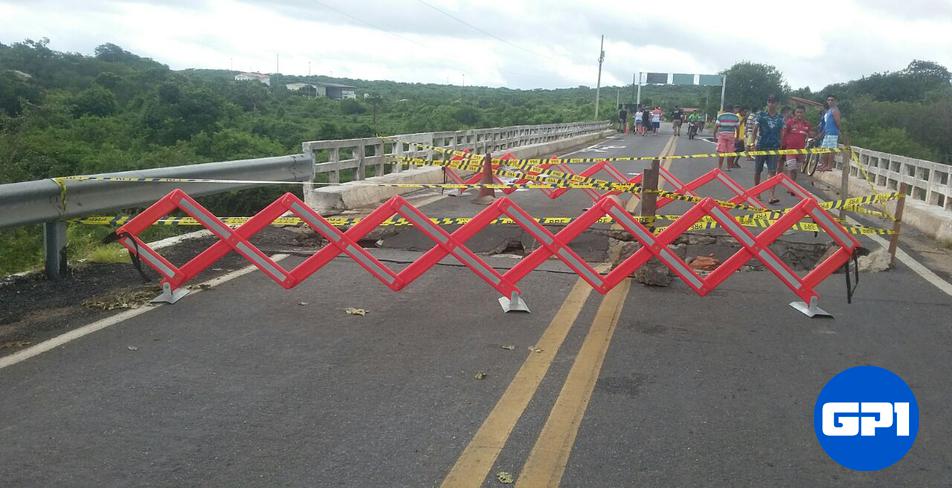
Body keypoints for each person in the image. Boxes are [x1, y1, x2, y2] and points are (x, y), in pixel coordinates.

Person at [750, 95, 785, 204]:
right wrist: (752, 143)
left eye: (774, 102)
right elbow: (755, 130)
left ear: (777, 103)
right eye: (770, 101)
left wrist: (781, 145)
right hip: (761, 146)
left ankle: (771, 196)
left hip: (774, 147)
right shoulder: (761, 115)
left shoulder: (780, 117)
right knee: (758, 171)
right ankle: (757, 193)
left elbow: (781, 132)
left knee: (772, 171)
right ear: (767, 103)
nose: (771, 104)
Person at [781, 105, 812, 188]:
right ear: (794, 113)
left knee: (796, 170)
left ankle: (792, 186)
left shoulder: (807, 124)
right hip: (790, 150)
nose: (799, 114)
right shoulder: (789, 123)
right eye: (798, 112)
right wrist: (782, 145)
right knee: (791, 168)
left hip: (801, 151)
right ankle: (789, 186)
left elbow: (810, 135)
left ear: (804, 113)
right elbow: (783, 134)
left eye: (801, 112)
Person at [817, 95, 841, 171]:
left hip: (833, 133)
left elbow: (838, 122)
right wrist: (822, 133)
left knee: (831, 150)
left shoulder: (835, 110)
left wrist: (839, 131)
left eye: (832, 100)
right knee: (824, 149)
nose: (830, 101)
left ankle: (829, 166)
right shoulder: (828, 111)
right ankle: (824, 164)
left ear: (835, 101)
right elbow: (826, 123)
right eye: (829, 100)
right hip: (827, 133)